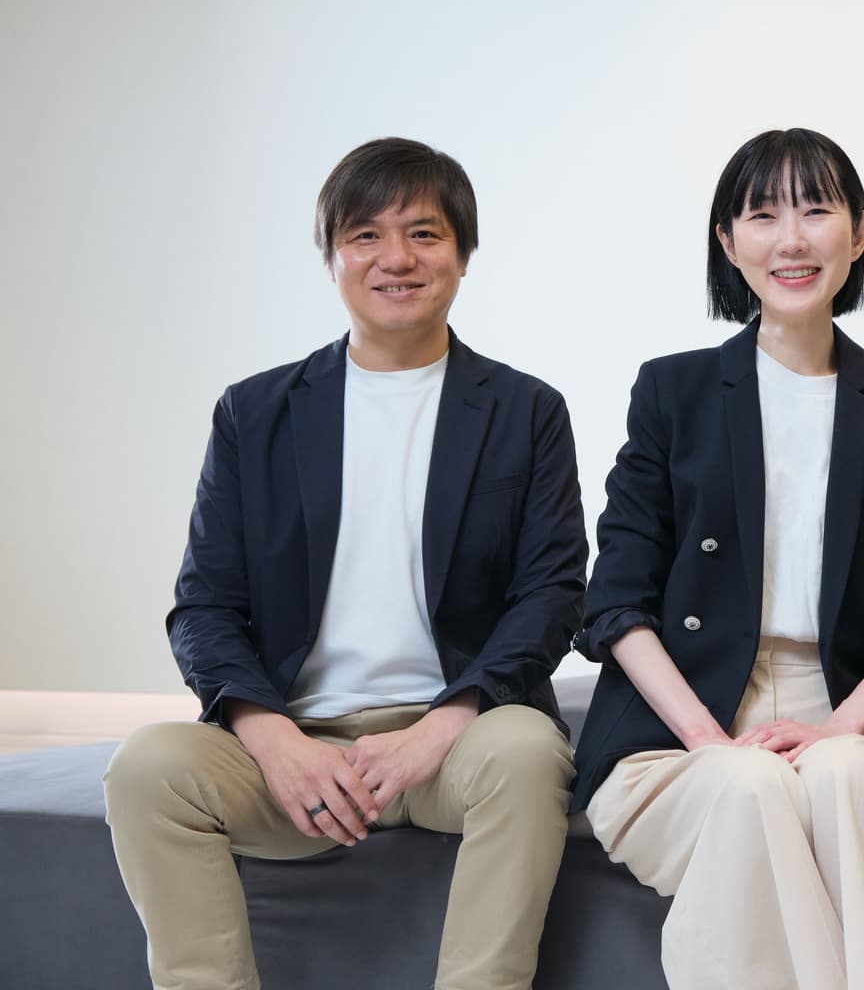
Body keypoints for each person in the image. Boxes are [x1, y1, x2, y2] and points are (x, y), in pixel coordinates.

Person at [103, 137, 588, 990]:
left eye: (425, 234)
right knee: (149, 768)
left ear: (463, 255)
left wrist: (442, 725)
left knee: (526, 749)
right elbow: (204, 606)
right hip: (294, 748)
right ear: (330, 256)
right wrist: (273, 735)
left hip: (452, 740)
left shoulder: (525, 410)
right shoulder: (256, 414)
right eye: (365, 236)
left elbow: (550, 594)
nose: (396, 258)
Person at [569, 127, 864, 990]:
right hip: (677, 724)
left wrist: (836, 729)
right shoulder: (672, 391)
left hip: (852, 712)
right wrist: (711, 740)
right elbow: (614, 599)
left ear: (859, 233)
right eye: (762, 215)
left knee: (837, 777)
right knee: (748, 789)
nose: (790, 240)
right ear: (728, 242)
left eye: (816, 211)